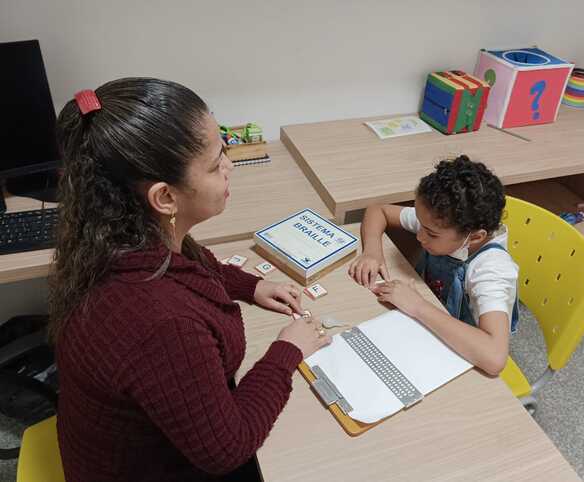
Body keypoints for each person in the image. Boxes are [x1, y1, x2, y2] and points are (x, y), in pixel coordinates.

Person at [48, 77, 331, 482]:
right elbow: (227, 449)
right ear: (165, 197)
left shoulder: (117, 235)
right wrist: (287, 350)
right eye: (217, 163)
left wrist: (250, 286)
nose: (230, 167)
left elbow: (194, 267)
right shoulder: (163, 325)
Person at [348, 155, 518, 376]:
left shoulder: (491, 270)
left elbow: (494, 358)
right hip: (429, 323)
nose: (419, 236)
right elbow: (377, 210)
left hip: (465, 353)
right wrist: (372, 251)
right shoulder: (440, 221)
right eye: (420, 224)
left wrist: (418, 306)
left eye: (430, 233)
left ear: (475, 237)